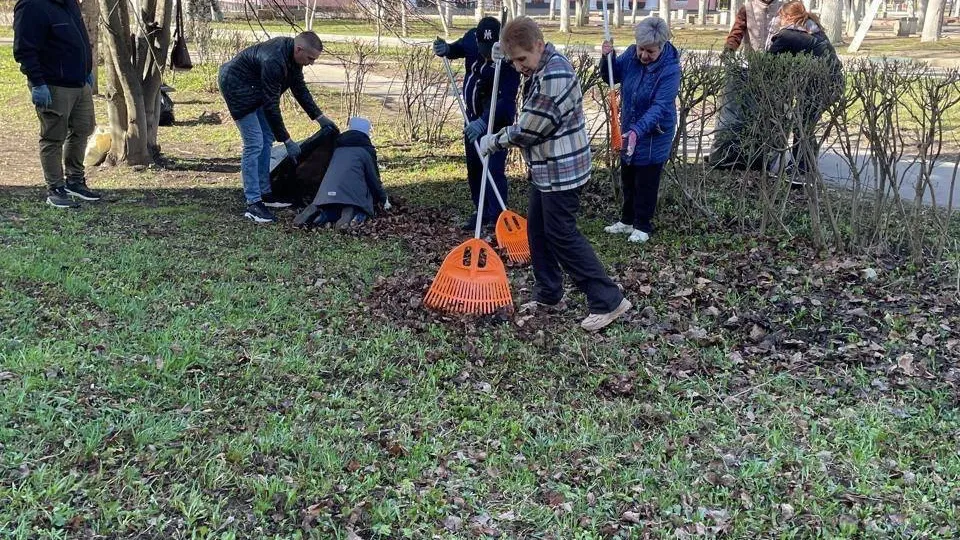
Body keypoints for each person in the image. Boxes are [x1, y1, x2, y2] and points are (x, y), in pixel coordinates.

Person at [479, 16, 631, 332]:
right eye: (513, 61)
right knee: (537, 230)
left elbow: (532, 129)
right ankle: (549, 293)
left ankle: (608, 299)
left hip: (563, 170)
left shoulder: (555, 74)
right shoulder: (540, 65)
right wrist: (502, 60)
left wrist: (494, 141)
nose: (519, 66)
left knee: (562, 235)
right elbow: (526, 86)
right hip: (546, 169)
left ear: (539, 45)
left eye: (521, 59)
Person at [219, 31, 338, 224]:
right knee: (254, 143)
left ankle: (265, 193)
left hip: (253, 86)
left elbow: (299, 89)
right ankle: (253, 203)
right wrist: (287, 140)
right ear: (299, 49)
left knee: (266, 138)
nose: (311, 63)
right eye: (310, 58)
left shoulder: (292, 58)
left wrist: (320, 117)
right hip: (236, 86)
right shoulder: (274, 60)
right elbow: (271, 105)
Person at [433, 17, 521, 230]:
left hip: (496, 123)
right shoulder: (472, 41)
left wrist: (483, 123)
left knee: (492, 168)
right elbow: (458, 49)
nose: (485, 53)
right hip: (471, 118)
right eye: (483, 48)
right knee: (475, 167)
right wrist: (446, 49)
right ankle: (480, 210)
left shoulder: (509, 58)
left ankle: (497, 217)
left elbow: (506, 99)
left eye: (489, 50)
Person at [599, 16, 681, 244]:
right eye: (641, 49)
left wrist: (637, 131)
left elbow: (660, 107)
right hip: (630, 125)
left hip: (655, 132)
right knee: (628, 174)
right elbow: (611, 76)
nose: (644, 55)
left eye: (650, 52)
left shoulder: (670, 69)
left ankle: (643, 226)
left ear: (661, 47)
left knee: (646, 178)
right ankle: (627, 221)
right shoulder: (632, 55)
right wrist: (608, 57)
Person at [13, 0, 99, 209]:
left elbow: (80, 38)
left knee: (82, 129)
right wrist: (37, 83)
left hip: (79, 82)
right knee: (53, 136)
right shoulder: (31, 6)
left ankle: (74, 181)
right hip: (52, 85)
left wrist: (86, 70)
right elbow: (25, 49)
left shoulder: (69, 3)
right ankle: (55, 188)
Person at [766, 0, 843, 180]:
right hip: (833, 84)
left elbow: (768, 64)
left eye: (780, 16)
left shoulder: (787, 35)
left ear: (786, 17)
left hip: (819, 86)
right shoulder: (813, 29)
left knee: (803, 125)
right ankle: (803, 165)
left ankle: (801, 169)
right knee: (805, 124)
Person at [293, 117, 390, 229]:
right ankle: (353, 214)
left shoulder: (337, 149)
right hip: (352, 196)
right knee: (362, 210)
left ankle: (320, 215)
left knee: (331, 208)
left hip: (325, 196)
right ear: (366, 133)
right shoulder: (366, 151)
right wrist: (383, 199)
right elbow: (374, 180)